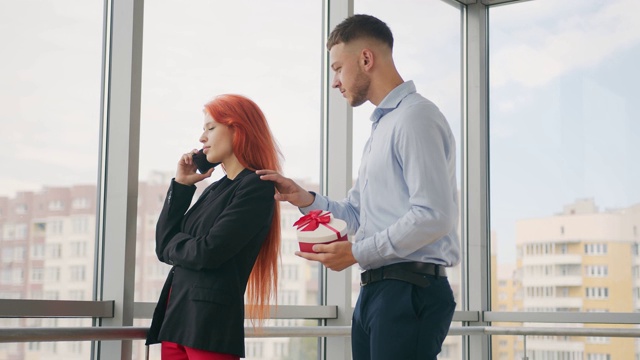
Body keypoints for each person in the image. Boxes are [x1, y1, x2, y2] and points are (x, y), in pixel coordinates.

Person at [257, 14, 460, 360]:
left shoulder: (415, 118)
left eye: (337, 68)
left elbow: (433, 216)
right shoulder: (382, 127)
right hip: (377, 291)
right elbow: (356, 213)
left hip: (409, 289)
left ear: (365, 59)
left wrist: (357, 253)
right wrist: (303, 198)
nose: (335, 82)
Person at [146, 94, 282, 360]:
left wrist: (178, 246)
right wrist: (183, 185)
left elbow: (209, 251)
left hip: (209, 324)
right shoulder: (216, 188)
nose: (201, 138)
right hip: (175, 318)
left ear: (237, 130)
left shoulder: (256, 186)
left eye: (210, 128)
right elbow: (163, 246)